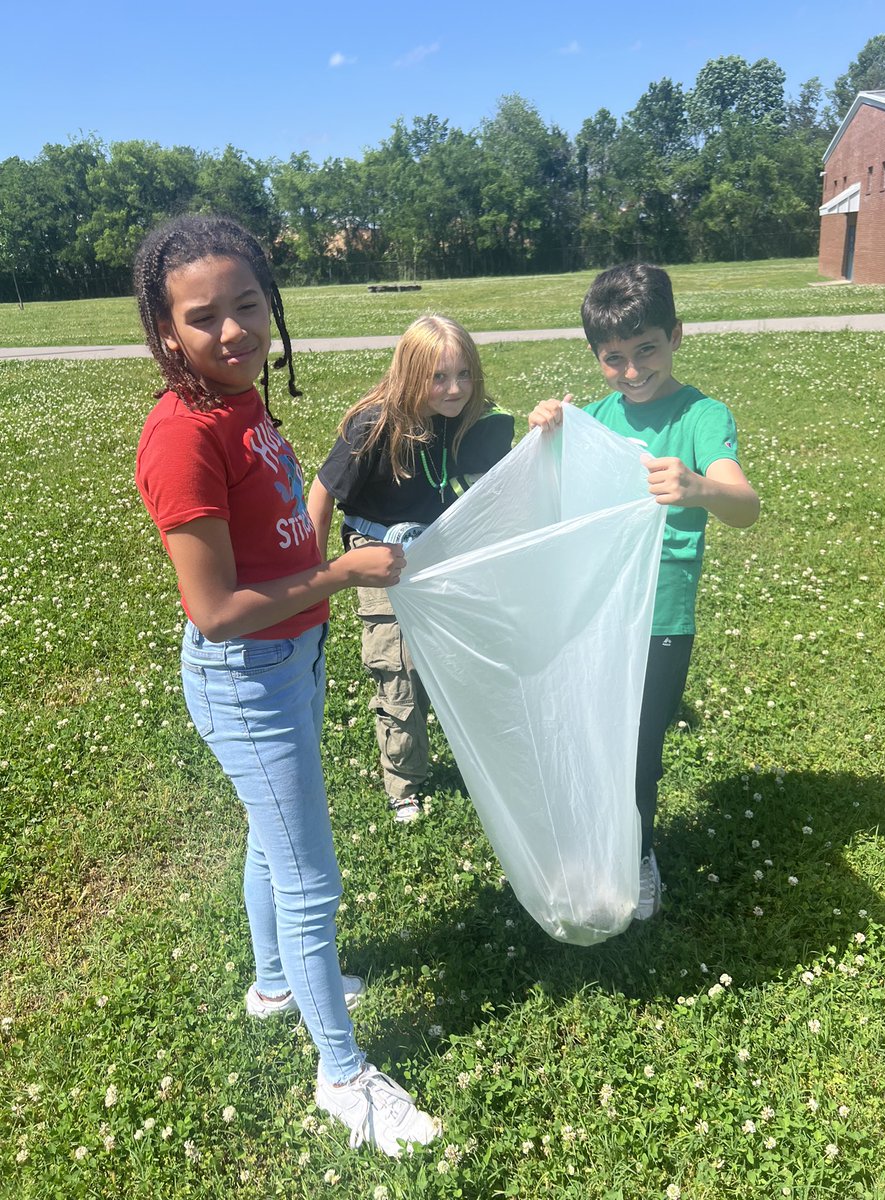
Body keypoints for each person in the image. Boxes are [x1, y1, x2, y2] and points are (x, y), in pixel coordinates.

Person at [133, 214, 438, 1156]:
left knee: (273, 846)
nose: (233, 331)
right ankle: (341, 1076)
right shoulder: (182, 436)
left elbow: (279, 525)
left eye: (248, 305)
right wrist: (341, 575)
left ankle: (275, 984)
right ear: (165, 330)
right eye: (202, 317)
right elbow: (217, 610)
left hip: (289, 660)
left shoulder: (242, 402)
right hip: (247, 676)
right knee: (312, 881)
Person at [528, 263, 759, 920]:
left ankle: (635, 856)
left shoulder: (701, 416)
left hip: (660, 618)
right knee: (587, 737)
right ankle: (592, 848)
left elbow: (745, 505)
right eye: (614, 358)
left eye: (647, 350)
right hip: (594, 613)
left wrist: (699, 487)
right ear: (596, 357)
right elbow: (543, 492)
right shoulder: (593, 418)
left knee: (636, 750)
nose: (632, 371)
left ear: (676, 335)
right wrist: (545, 432)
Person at [308, 315, 514, 823]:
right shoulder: (373, 425)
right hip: (379, 550)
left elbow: (505, 484)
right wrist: (311, 577)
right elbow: (322, 493)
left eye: (464, 374)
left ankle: (483, 758)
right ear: (410, 374)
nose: (454, 388)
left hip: (439, 547)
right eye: (438, 377)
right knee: (398, 669)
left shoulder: (475, 420)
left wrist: (547, 428)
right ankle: (404, 782)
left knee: (462, 658)